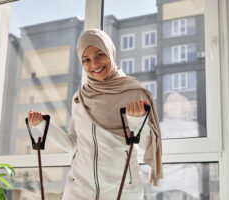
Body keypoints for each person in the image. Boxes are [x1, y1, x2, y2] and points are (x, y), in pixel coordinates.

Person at [28, 29, 163, 200]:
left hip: (121, 191)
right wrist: (42, 125)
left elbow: (147, 145)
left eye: (100, 55)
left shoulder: (133, 93)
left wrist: (137, 121)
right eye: (86, 60)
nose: (94, 64)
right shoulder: (80, 98)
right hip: (78, 191)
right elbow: (73, 144)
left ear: (110, 52)